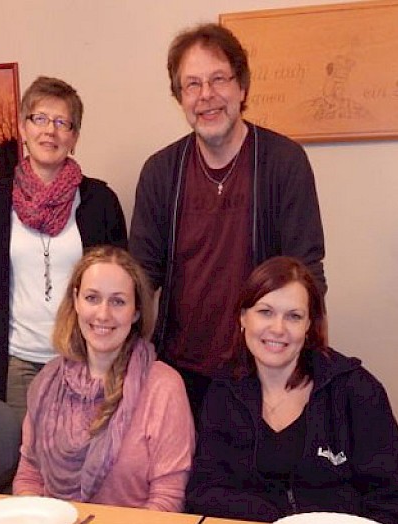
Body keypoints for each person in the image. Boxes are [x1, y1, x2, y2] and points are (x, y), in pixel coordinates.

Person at [129, 23, 325, 415]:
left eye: (219, 79)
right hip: (178, 374)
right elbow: (140, 278)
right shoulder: (161, 172)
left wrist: (310, 373)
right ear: (180, 97)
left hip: (263, 371)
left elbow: (308, 277)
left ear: (242, 87)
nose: (206, 95)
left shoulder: (284, 163)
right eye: (192, 84)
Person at [186, 257, 398, 524]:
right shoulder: (223, 391)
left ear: (309, 325)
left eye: (294, 316)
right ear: (243, 317)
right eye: (265, 312)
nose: (278, 328)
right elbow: (204, 493)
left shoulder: (356, 390)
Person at [0, 76, 127, 421]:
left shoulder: (100, 202)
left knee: (83, 450)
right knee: (17, 451)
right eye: (39, 118)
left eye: (61, 122)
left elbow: (123, 291)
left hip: (83, 358)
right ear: (23, 128)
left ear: (75, 137)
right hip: (15, 362)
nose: (49, 131)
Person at [13, 246, 194, 511]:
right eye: (92, 298)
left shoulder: (163, 387)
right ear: (76, 301)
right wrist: (38, 522)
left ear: (136, 311)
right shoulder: (47, 382)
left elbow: (167, 498)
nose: (103, 314)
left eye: (118, 301)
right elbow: (29, 475)